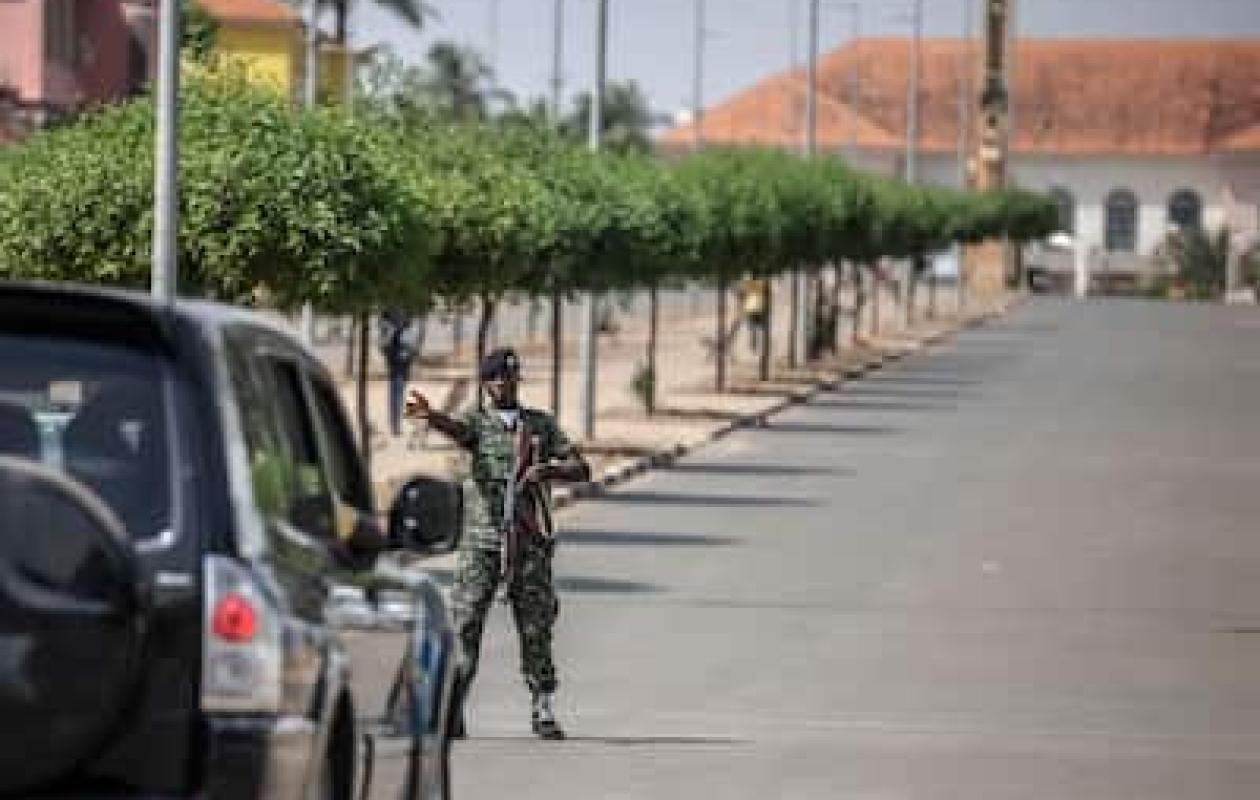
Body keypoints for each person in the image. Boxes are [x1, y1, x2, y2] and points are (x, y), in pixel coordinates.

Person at [404, 348, 590, 740]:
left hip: (528, 542)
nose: (503, 384)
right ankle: (452, 708)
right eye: (495, 378)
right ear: (485, 383)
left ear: (517, 381)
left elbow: (581, 469)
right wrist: (433, 416)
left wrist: (549, 470)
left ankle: (543, 706)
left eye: (508, 377)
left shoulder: (539, 425)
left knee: (536, 625)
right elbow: (459, 431)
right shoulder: (478, 421)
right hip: (482, 542)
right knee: (465, 624)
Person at [378, 310, 422, 436]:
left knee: (398, 393)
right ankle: (395, 425)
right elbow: (384, 345)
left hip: (403, 363)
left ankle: (395, 424)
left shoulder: (404, 329)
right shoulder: (390, 328)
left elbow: (412, 347)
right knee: (396, 394)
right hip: (397, 363)